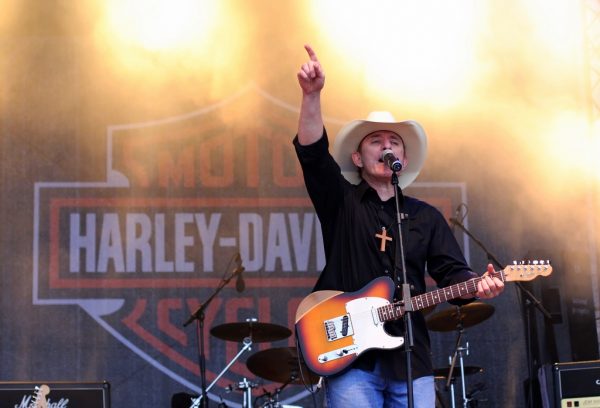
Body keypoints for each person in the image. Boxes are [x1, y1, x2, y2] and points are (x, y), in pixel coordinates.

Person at [293, 44, 505, 408]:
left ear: (402, 161)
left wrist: (477, 285)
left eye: (394, 142)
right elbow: (312, 154)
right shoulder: (342, 203)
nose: (386, 146)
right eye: (376, 141)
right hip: (352, 360)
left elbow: (451, 273)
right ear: (358, 158)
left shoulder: (425, 217)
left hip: (411, 358)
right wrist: (312, 96)